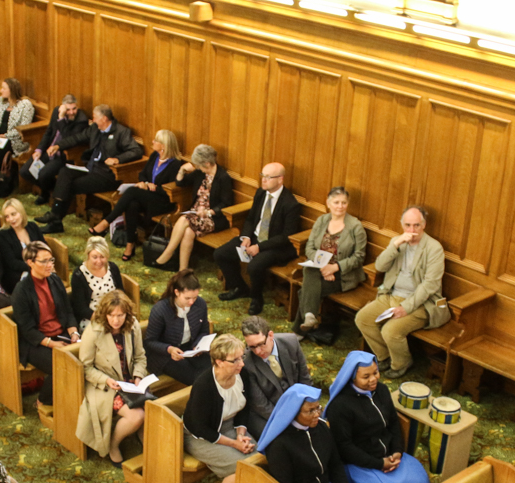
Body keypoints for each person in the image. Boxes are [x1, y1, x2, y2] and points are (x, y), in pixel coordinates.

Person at [325, 351, 431, 483]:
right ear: (352, 378)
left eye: (375, 373)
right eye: (365, 377)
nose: (373, 379)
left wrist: (397, 450)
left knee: (420, 482)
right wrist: (378, 463)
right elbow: (344, 447)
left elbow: (394, 423)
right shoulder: (340, 406)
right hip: (360, 463)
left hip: (389, 455)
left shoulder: (381, 390)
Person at [355, 205, 449, 379]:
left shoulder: (434, 248)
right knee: (363, 318)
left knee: (390, 331)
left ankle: (402, 362)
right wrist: (395, 245)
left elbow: (430, 285)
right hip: (391, 295)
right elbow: (379, 266)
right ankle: (384, 357)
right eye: (407, 225)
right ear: (402, 225)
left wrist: (406, 307)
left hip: (421, 303)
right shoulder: (398, 241)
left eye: (416, 225)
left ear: (424, 225)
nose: (412, 230)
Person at [35, 105, 144, 234]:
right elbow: (77, 138)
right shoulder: (95, 128)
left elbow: (136, 151)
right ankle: (55, 215)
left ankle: (55, 218)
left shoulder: (121, 132)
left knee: (70, 184)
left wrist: (118, 159)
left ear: (104, 118)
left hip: (107, 175)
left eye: (95, 117)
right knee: (64, 172)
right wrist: (58, 145)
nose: (92, 120)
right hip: (91, 168)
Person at [183, 334, 258, 483]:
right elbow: (199, 428)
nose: (241, 363)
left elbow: (243, 408)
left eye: (242, 357)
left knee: (258, 458)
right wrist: (234, 443)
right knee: (242, 465)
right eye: (235, 360)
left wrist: (241, 435)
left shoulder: (241, 374)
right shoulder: (204, 385)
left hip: (229, 426)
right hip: (200, 437)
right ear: (219, 362)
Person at [214, 162, 301, 315]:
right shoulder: (261, 193)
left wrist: (259, 247)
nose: (263, 180)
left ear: (280, 179)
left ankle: (256, 298)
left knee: (254, 266)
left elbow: (286, 237)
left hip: (276, 246)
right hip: (255, 238)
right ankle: (240, 287)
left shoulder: (290, 203)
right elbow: (250, 219)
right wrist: (246, 236)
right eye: (262, 176)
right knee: (221, 254)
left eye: (268, 177)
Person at [87, 130, 186, 260]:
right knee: (131, 204)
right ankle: (130, 244)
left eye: (156, 141)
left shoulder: (175, 165)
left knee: (132, 192)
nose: (153, 142)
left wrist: (155, 188)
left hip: (162, 202)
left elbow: (173, 190)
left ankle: (107, 222)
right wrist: (144, 183)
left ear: (164, 145)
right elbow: (142, 174)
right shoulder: (154, 157)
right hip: (145, 197)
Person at [75, 291, 147, 466]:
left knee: (154, 410)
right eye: (112, 315)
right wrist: (106, 380)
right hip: (104, 385)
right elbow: (85, 367)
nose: (116, 320)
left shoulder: (132, 325)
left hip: (130, 381)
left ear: (127, 314)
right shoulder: (93, 331)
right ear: (104, 314)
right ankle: (113, 445)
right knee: (136, 416)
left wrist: (138, 375)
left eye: (120, 315)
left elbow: (140, 357)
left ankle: (148, 444)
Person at [11, 241, 78, 407]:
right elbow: (27, 330)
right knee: (61, 366)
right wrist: (52, 344)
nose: (50, 265)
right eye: (44, 261)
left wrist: (74, 333)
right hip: (36, 342)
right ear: (30, 263)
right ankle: (43, 401)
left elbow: (68, 311)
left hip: (60, 333)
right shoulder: (21, 290)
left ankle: (74, 396)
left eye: (51, 260)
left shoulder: (54, 280)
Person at [293, 187, 367, 336]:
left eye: (344, 203)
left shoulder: (356, 227)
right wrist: (324, 267)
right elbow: (310, 248)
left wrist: (335, 267)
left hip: (343, 275)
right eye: (336, 202)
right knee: (309, 270)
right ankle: (307, 321)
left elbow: (359, 257)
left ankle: (301, 328)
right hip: (320, 271)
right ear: (328, 203)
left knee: (305, 291)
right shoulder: (322, 220)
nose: (340, 206)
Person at [240, 315, 313, 440]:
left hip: (298, 404)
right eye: (252, 347)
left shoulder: (291, 342)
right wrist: (289, 419)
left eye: (261, 344)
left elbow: (305, 379)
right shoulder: (247, 362)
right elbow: (260, 404)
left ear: (270, 335)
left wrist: (305, 409)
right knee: (287, 439)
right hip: (269, 413)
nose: (258, 351)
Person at [19, 95, 89, 205]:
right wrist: (39, 150)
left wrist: (61, 118)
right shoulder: (56, 110)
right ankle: (49, 190)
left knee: (43, 174)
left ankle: (46, 193)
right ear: (62, 107)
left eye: (74, 108)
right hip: (49, 150)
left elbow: (68, 139)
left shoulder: (81, 120)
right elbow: (49, 132)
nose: (71, 112)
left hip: (65, 155)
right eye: (68, 109)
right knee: (24, 171)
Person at [144, 269, 210, 385]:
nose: (191, 302)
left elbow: (204, 331)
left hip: (189, 348)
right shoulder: (161, 310)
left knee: (212, 369)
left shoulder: (200, 304)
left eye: (194, 297)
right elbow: (150, 341)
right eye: (187, 298)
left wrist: (197, 345)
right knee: (196, 378)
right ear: (177, 292)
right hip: (165, 355)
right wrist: (169, 349)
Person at [0, 78, 35, 188]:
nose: (1, 91)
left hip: (13, 139)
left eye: (4, 88)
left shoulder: (25, 105)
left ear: (12, 90)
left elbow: (23, 126)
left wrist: (6, 135)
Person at [70, 236, 125, 330]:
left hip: (114, 312)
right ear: (88, 255)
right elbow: (80, 308)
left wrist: (118, 315)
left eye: (102, 257)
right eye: (95, 257)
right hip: (92, 317)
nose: (99, 261)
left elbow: (121, 293)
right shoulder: (79, 275)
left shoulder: (113, 268)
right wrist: (105, 319)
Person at [0, 199, 45, 294]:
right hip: (16, 274)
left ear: (21, 213)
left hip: (38, 267)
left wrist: (43, 263)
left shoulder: (32, 227)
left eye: (13, 214)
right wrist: (36, 266)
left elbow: (44, 248)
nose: (11, 219)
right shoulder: (3, 235)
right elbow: (12, 263)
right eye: (7, 217)